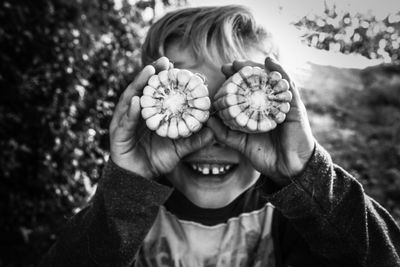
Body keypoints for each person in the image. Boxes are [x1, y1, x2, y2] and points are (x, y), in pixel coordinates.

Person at [40, 5, 400, 267]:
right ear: (148, 108)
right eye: (191, 111)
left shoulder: (300, 222)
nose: (213, 136)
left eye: (237, 115)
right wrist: (127, 185)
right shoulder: (120, 219)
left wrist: (308, 177)